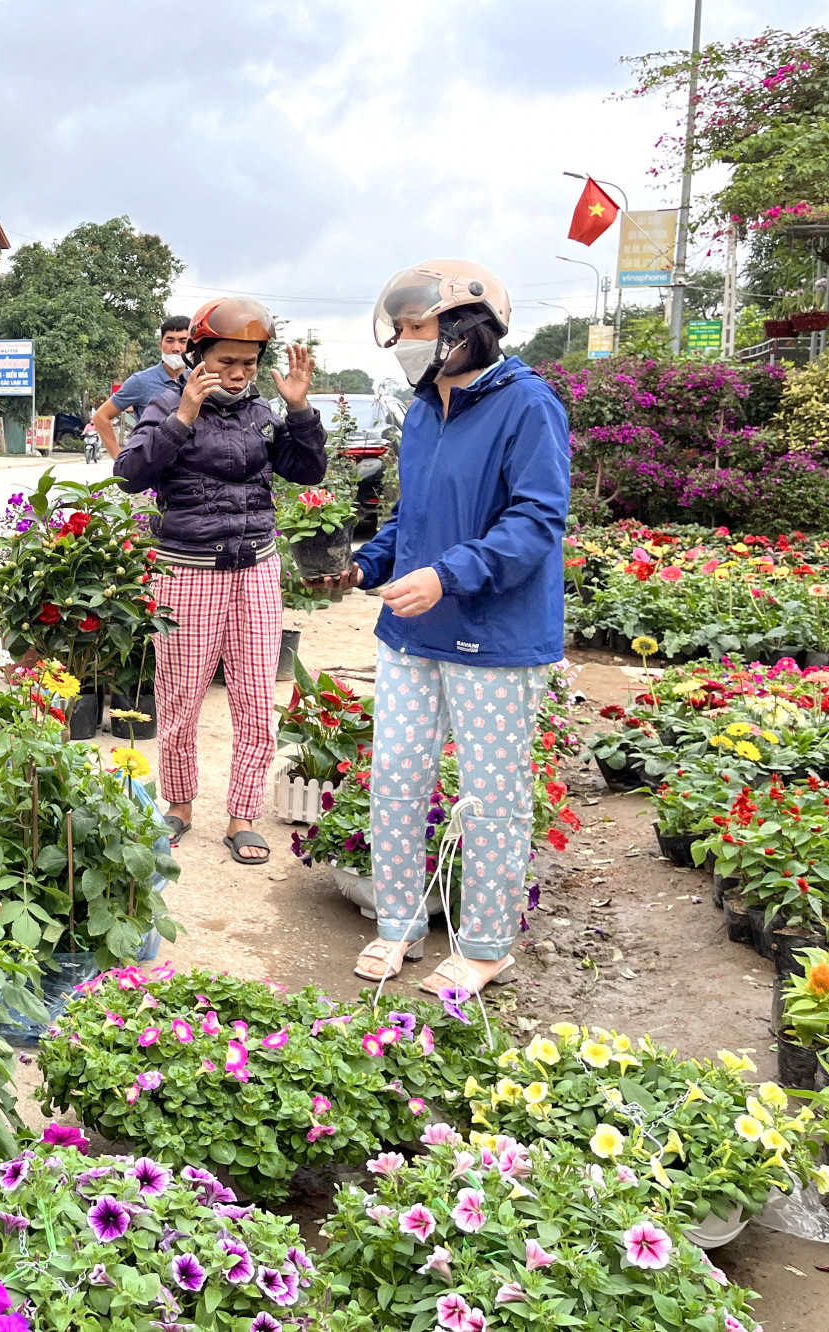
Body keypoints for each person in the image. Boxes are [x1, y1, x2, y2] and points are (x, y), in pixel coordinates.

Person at [317, 261, 569, 998]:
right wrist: (366, 567)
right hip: (410, 633)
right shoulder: (425, 408)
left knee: (490, 793)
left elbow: (536, 519)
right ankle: (398, 924)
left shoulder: (529, 405)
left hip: (493, 634)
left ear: (469, 328)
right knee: (396, 777)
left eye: (415, 329)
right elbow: (411, 514)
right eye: (397, 330)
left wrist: (449, 575)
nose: (402, 342)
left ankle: (488, 945)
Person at [113, 297, 326, 867]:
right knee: (180, 697)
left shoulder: (261, 414)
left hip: (256, 566)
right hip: (188, 571)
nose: (237, 373)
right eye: (226, 360)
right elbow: (131, 475)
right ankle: (178, 805)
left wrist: (300, 412)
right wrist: (184, 415)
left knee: (257, 696)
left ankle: (242, 816)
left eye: (249, 364)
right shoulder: (164, 405)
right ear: (196, 354)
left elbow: (306, 471)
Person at [90, 314, 192, 458]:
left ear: (193, 345)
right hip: (152, 468)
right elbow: (101, 417)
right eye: (170, 340)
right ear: (160, 345)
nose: (176, 348)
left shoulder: (200, 381)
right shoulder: (140, 381)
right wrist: (121, 462)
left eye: (183, 341)